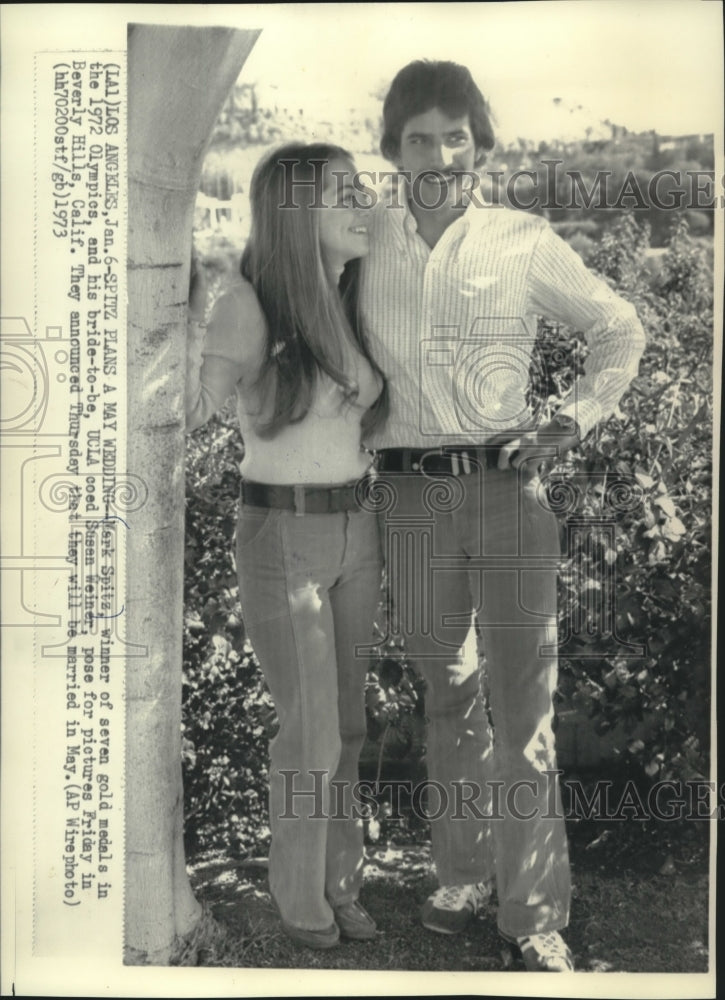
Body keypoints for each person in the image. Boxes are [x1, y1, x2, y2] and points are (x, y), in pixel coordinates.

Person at [359, 60, 646, 971]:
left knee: (523, 711)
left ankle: (533, 915)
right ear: (393, 149)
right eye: (418, 138)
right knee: (447, 696)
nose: (438, 153)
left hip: (506, 492)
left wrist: (578, 414)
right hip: (406, 496)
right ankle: (463, 871)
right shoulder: (360, 242)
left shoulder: (522, 239)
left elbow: (617, 327)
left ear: (478, 143)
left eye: (455, 135)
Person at [185, 142, 388, 950]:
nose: (362, 202)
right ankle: (300, 897)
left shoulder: (344, 296)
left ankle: (341, 885)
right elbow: (191, 407)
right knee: (307, 732)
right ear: (296, 209)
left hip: (355, 529)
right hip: (283, 532)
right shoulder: (247, 300)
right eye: (343, 191)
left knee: (346, 728)